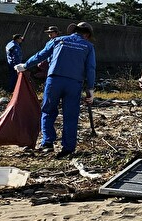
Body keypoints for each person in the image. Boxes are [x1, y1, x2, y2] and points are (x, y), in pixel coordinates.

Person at [16, 21, 96, 157]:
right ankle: (68, 148)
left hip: (54, 80)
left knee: (48, 111)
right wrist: (90, 90)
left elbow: (41, 55)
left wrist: (25, 65)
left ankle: (47, 143)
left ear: (73, 31)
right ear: (87, 34)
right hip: (74, 83)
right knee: (70, 115)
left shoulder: (58, 40)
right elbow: (90, 69)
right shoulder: (88, 46)